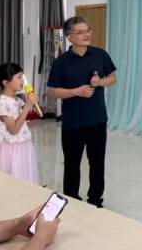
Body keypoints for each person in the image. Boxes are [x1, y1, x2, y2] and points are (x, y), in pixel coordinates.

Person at [47, 16, 116, 208]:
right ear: (70, 37)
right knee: (72, 164)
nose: (87, 34)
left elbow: (112, 78)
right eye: (81, 32)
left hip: (97, 119)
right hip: (73, 123)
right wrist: (75, 92)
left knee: (97, 162)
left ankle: (95, 200)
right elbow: (52, 91)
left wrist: (100, 82)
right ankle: (72, 200)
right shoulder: (61, 62)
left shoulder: (100, 55)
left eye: (88, 30)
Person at [0, 63, 39, 184]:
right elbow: (13, 130)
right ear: (6, 82)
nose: (23, 81)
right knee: (12, 181)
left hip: (21, 145)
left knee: (24, 179)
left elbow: (24, 117)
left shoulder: (17, 100)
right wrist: (27, 106)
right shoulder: (2, 103)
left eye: (22, 77)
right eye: (19, 77)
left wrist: (31, 104)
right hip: (9, 149)